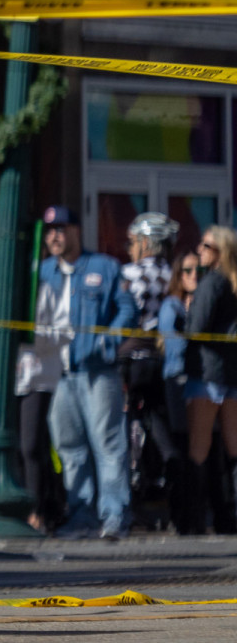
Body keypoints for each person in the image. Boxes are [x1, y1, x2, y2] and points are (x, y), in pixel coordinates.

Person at [0, 208, 71, 533]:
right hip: (5, 380)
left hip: (39, 378)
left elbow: (64, 332)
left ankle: (37, 511)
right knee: (8, 447)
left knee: (31, 445)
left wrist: (33, 335)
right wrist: (1, 344)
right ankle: (16, 506)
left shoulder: (44, 291)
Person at [34, 208, 136, 540]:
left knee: (108, 444)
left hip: (97, 371)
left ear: (76, 230)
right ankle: (81, 515)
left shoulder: (104, 267)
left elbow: (127, 310)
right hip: (56, 373)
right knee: (69, 448)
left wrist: (109, 341)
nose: (54, 236)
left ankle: (113, 515)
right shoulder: (42, 271)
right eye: (49, 230)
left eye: (60, 229)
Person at [120, 211, 179, 511]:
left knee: (127, 420)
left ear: (146, 242)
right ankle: (168, 469)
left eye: (132, 241)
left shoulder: (129, 274)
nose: (129, 248)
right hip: (162, 359)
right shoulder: (173, 274)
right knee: (157, 418)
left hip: (132, 359)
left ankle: (133, 476)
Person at [181, 226, 237, 538]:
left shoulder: (212, 282)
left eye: (205, 245)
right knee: (234, 449)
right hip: (232, 374)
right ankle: (228, 517)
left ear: (219, 252)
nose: (199, 250)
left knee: (198, 450)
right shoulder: (234, 282)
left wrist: (182, 319)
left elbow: (196, 327)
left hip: (207, 372)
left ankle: (193, 521)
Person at [161, 250, 201, 532]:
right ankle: (182, 517)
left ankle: (198, 516)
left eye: (197, 270)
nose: (193, 276)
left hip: (202, 383)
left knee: (200, 450)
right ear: (178, 276)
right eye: (187, 271)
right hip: (178, 380)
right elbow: (175, 346)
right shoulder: (172, 307)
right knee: (181, 447)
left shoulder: (203, 302)